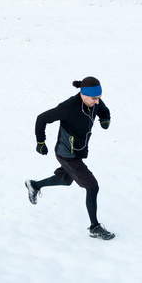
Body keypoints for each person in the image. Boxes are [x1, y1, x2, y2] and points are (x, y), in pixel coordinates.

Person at [25, 76, 115, 240]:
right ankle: (94, 227)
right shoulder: (68, 107)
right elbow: (42, 118)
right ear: (83, 94)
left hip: (78, 151)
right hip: (67, 154)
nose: (97, 102)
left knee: (66, 179)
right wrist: (40, 141)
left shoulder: (94, 101)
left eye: (99, 98)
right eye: (94, 98)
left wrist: (105, 119)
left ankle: (34, 185)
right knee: (92, 186)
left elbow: (103, 109)